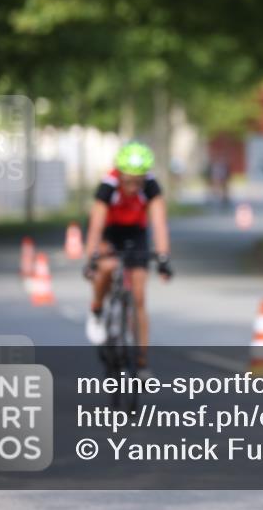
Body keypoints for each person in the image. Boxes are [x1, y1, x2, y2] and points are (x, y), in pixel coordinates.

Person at [83, 141, 173, 379]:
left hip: (135, 232)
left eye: (138, 181)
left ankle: (141, 363)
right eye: (129, 181)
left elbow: (159, 223)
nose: (133, 186)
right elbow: (96, 224)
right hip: (109, 231)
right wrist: (92, 257)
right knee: (106, 266)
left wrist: (163, 257)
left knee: (139, 296)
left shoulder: (151, 186)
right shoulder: (108, 185)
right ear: (120, 175)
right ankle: (97, 310)